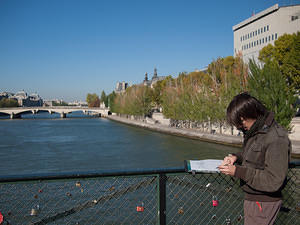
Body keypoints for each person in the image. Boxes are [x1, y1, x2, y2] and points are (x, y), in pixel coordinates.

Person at [218, 92, 291, 225]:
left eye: (241, 121)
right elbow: (255, 154)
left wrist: (237, 172)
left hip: (263, 202)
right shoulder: (257, 132)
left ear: (251, 113)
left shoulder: (276, 138)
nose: (240, 126)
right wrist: (236, 157)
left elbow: (274, 180)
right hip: (256, 200)